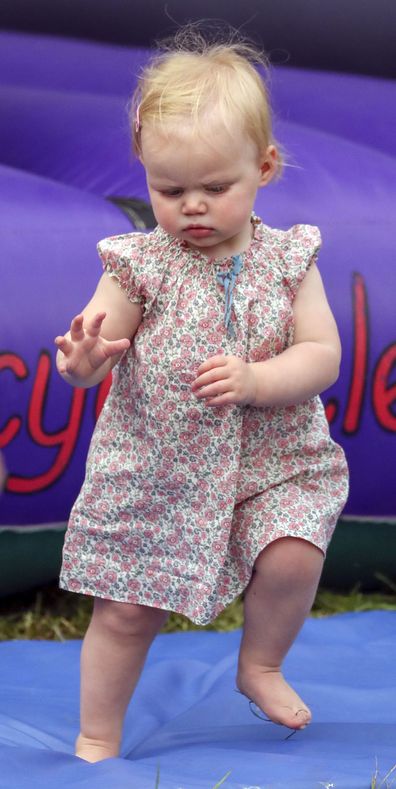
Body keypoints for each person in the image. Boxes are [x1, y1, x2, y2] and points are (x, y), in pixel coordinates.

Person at [55, 29, 349, 763]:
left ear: (265, 167)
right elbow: (98, 345)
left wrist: (257, 379)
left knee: (292, 556)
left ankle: (260, 663)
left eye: (215, 188)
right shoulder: (137, 265)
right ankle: (98, 732)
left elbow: (323, 354)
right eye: (169, 189)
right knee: (125, 611)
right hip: (160, 471)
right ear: (145, 173)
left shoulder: (290, 258)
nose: (191, 206)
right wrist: (84, 362)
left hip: (272, 460)